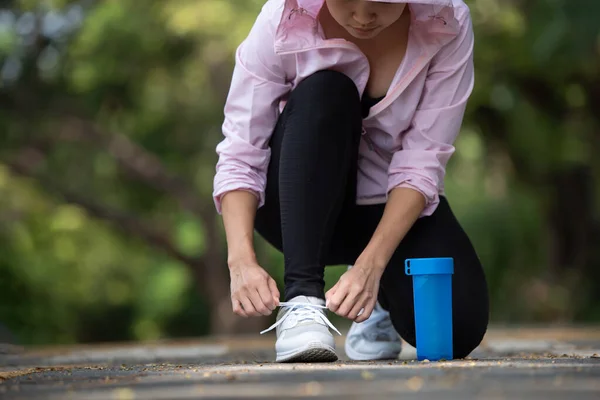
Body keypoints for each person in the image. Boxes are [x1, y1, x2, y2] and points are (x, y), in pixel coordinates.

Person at [213, 0, 489, 363]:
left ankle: (377, 300)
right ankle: (302, 301)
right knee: (327, 90)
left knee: (456, 331)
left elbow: (422, 162)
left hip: (387, 207)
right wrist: (241, 261)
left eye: (382, 2)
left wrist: (371, 267)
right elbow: (241, 151)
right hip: (296, 207)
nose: (362, 16)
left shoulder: (447, 22)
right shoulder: (282, 18)